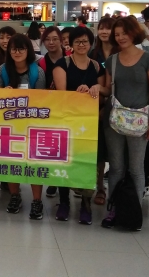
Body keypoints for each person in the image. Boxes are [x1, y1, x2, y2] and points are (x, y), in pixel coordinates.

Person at [101, 16, 149, 229]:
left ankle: (134, 210)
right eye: (117, 34)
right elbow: (108, 89)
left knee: (136, 168)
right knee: (116, 167)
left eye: (124, 33)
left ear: (134, 33)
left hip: (139, 120)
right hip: (114, 120)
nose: (120, 37)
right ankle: (114, 209)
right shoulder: (112, 60)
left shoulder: (148, 59)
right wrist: (96, 88)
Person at [52, 26, 107, 225]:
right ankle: (64, 201)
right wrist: (79, 93)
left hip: (90, 123)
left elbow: (106, 92)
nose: (82, 45)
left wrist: (98, 87)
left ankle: (86, 203)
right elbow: (62, 94)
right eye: (78, 41)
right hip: (67, 121)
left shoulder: (97, 66)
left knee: (87, 161)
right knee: (64, 160)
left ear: (91, 43)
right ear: (71, 44)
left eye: (85, 41)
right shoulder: (63, 64)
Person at [0, 34, 46, 219]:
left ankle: (37, 200)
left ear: (28, 50)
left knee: (34, 162)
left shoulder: (37, 72)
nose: (17, 52)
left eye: (21, 49)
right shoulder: (2, 70)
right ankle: (15, 196)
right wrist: (3, 93)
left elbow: (42, 100)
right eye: (13, 49)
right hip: (9, 124)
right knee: (11, 161)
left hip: (32, 124)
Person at [88, 16, 114, 206]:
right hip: (95, 109)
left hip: (117, 108)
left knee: (115, 154)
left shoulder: (120, 53)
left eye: (108, 28)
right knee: (97, 152)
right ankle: (99, 188)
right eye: (101, 28)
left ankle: (117, 192)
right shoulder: (92, 53)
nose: (104, 32)